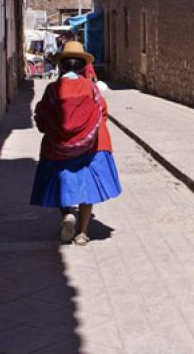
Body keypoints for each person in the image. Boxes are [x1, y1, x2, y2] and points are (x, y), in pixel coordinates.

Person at [30, 41, 122, 245]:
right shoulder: (91, 89)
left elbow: (42, 117)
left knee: (62, 183)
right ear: (81, 67)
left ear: (62, 66)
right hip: (90, 148)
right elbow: (102, 113)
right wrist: (87, 134)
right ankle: (82, 232)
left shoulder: (53, 90)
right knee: (87, 188)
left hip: (58, 148)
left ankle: (67, 214)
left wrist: (56, 133)